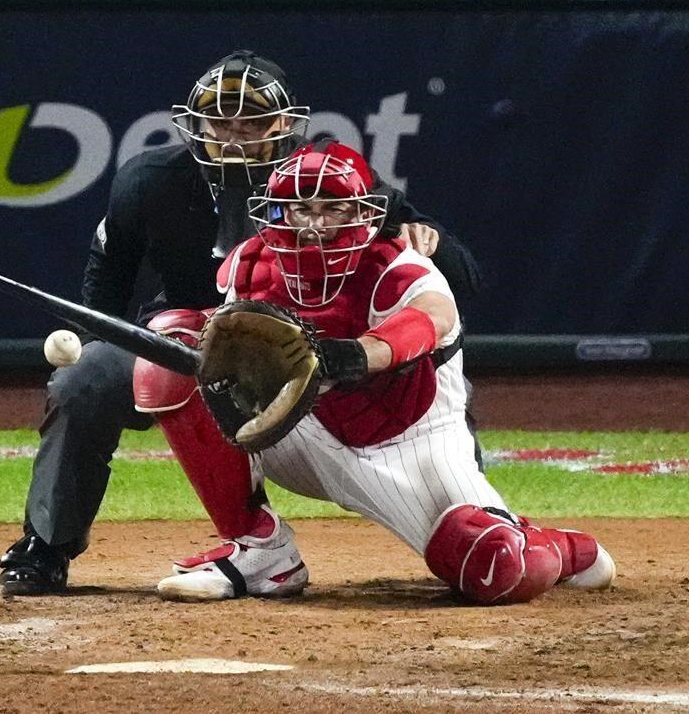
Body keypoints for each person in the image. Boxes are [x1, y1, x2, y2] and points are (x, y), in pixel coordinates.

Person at [0, 51, 483, 596]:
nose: (233, 138)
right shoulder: (149, 181)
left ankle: (475, 514)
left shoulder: (323, 178)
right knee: (84, 378)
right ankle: (47, 544)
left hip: (314, 350)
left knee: (432, 378)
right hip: (184, 341)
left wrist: (427, 240)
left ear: (285, 125)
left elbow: (458, 289)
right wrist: (93, 349)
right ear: (194, 126)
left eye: (251, 122)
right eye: (220, 122)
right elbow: (105, 282)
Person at [135, 145, 614, 604]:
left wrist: (360, 354)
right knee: (171, 351)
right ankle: (261, 551)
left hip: (410, 442)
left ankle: (562, 548)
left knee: (494, 565)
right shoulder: (250, 265)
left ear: (363, 212)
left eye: (332, 209)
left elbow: (434, 317)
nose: (314, 225)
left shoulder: (399, 266)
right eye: (300, 209)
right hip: (304, 428)